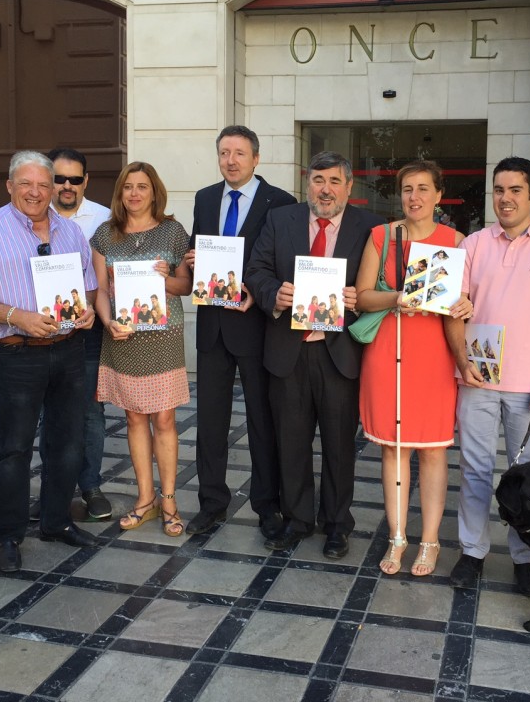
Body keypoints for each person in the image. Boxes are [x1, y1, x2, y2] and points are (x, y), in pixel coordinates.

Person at [0, 151, 99, 573]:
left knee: (68, 444)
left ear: (55, 188)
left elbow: (87, 289)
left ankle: (55, 522)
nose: (36, 192)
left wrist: (86, 310)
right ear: (10, 186)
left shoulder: (70, 232)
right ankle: (9, 536)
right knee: (14, 448)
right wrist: (18, 317)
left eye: (44, 184)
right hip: (18, 354)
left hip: (69, 351)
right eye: (26, 184)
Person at [445, 156, 530, 595]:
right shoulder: (473, 245)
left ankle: (525, 558)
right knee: (475, 470)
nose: (505, 198)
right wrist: (462, 360)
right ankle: (472, 552)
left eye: (515, 190)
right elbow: (454, 310)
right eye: (499, 190)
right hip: (478, 380)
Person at [245, 150, 382, 558]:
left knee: (340, 445)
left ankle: (337, 523)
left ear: (349, 186)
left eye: (334, 181)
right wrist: (276, 294)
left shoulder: (370, 227)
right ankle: (299, 519)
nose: (326, 189)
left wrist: (361, 298)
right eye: (318, 180)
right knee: (291, 442)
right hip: (288, 350)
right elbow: (256, 270)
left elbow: (384, 282)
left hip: (338, 352)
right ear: (307, 183)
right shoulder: (280, 219)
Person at [355, 160, 473, 577]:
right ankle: (398, 535)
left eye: (424, 188)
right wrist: (396, 299)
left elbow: (467, 301)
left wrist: (466, 302)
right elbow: (363, 297)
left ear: (439, 196)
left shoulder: (457, 241)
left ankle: (430, 540)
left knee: (434, 449)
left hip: (433, 356)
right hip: (388, 351)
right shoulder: (380, 237)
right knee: (394, 447)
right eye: (407, 189)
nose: (415, 197)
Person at [184, 125, 296, 539]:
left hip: (256, 326)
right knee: (210, 422)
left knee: (261, 421)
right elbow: (198, 248)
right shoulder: (205, 197)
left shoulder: (281, 202)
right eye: (224, 153)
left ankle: (268, 506)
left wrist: (260, 291)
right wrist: (194, 258)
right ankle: (212, 503)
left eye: (239, 153)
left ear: (256, 158)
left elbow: (284, 264)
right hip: (213, 325)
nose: (231, 160)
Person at [92, 162, 191, 535]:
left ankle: (169, 501)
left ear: (154, 192)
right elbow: (101, 289)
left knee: (164, 419)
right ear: (120, 193)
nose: (134, 194)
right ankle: (144, 500)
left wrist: (167, 278)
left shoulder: (172, 232)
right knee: (133, 418)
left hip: (163, 338)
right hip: (123, 337)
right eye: (128, 187)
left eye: (142, 187)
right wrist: (107, 321)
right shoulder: (105, 235)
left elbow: (186, 287)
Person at [34, 148, 113, 521]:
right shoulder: (30, 217)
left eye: (74, 179)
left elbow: (113, 276)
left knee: (89, 412)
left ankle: (91, 485)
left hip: (89, 330)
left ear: (86, 181)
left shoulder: (104, 219)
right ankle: (54, 490)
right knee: (49, 413)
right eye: (59, 178)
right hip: (41, 332)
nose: (66, 186)